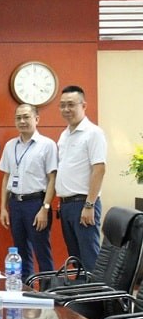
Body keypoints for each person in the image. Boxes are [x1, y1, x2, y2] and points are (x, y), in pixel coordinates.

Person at [0, 104, 57, 278]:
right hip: (15, 204)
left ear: (36, 119)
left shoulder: (47, 145)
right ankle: (26, 288)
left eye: (26, 117)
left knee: (42, 251)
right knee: (20, 251)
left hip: (36, 204)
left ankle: (48, 290)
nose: (22, 121)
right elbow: (6, 178)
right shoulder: (10, 145)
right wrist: (3, 208)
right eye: (18, 118)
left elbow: (53, 178)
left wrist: (45, 208)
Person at [55, 85, 106, 272]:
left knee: (89, 257)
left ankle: (95, 292)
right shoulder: (65, 134)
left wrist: (89, 204)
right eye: (62, 105)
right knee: (76, 259)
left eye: (71, 104)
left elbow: (99, 169)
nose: (66, 109)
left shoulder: (93, 133)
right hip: (66, 205)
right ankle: (80, 290)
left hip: (84, 204)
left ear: (83, 105)